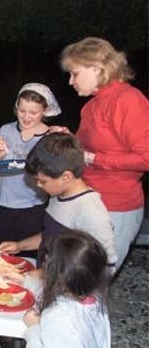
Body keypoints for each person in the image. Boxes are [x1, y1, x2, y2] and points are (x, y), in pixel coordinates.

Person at [57, 37, 149, 271]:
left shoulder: (127, 100)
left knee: (93, 280)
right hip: (88, 198)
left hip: (116, 206)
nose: (70, 81)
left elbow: (145, 157)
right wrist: (68, 138)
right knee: (73, 274)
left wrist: (93, 159)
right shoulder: (92, 105)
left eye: (75, 73)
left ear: (97, 68)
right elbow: (89, 146)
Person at [0, 133, 117, 274]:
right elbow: (51, 236)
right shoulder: (58, 194)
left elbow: (105, 266)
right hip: (47, 279)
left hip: (68, 291)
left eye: (43, 181)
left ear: (66, 177)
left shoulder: (91, 213)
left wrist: (37, 276)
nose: (39, 185)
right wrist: (20, 245)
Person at [0, 83, 61, 255]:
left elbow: (57, 176)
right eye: (22, 111)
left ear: (45, 111)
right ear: (16, 107)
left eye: (33, 112)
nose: (26, 117)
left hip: (33, 207)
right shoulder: (5, 130)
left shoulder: (50, 137)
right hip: (3, 204)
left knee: (27, 258)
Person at [20, 229, 111, 348]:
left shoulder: (57, 318)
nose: (45, 258)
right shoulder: (95, 299)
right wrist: (24, 281)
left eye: (48, 258)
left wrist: (33, 328)